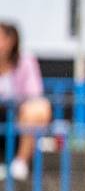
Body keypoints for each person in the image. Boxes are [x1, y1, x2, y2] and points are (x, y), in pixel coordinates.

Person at [0, 22, 52, 181]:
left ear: (11, 40)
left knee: (39, 109)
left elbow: (33, 94)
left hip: (17, 115)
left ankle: (20, 163)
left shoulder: (25, 61)